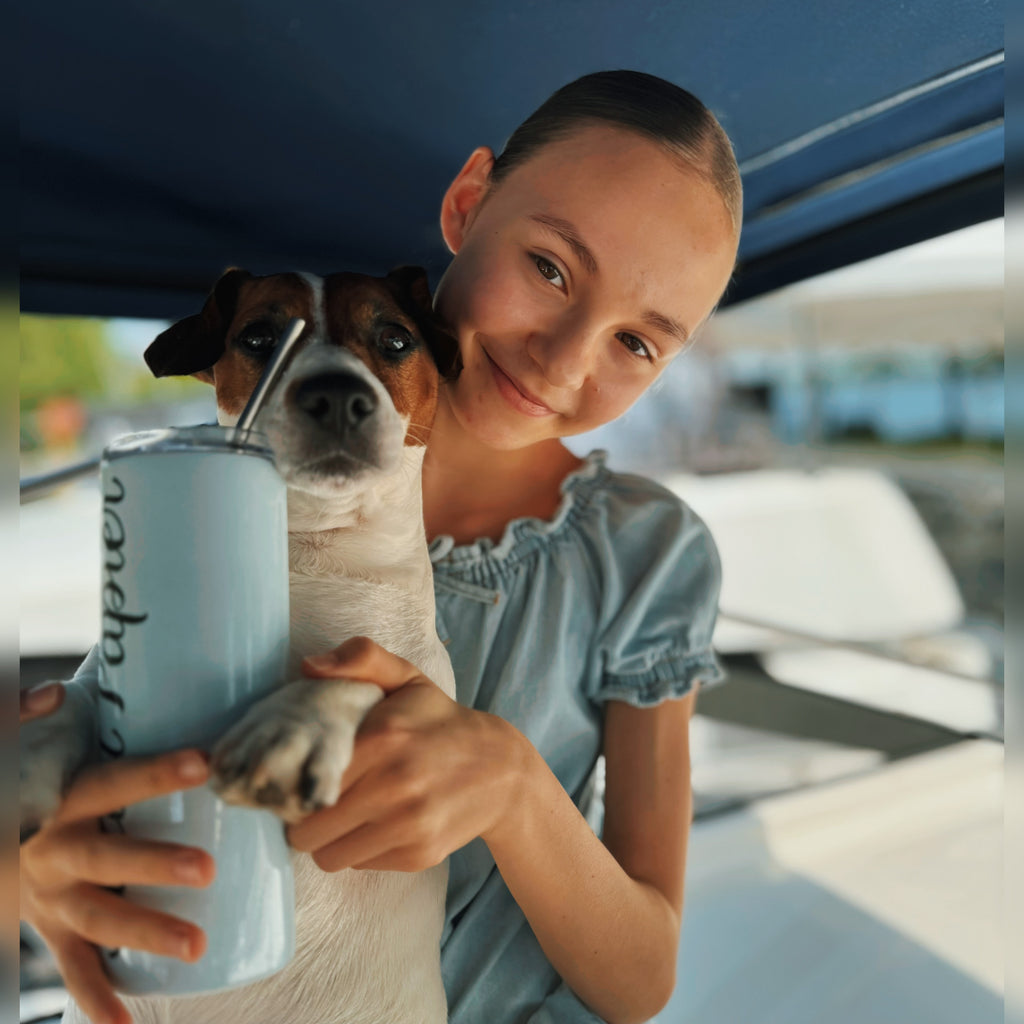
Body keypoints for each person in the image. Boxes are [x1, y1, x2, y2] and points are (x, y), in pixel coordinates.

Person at [20, 70, 741, 1024]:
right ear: (468, 202)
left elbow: (642, 978)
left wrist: (513, 786)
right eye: (551, 268)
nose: (564, 358)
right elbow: (90, 768)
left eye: (639, 344)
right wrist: (35, 862)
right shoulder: (208, 497)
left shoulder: (645, 555)